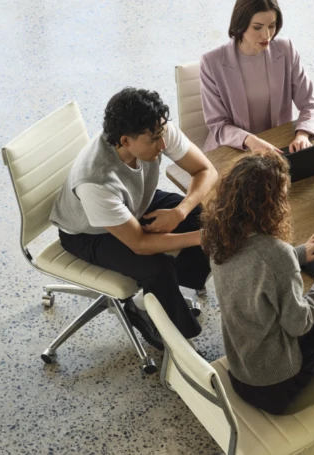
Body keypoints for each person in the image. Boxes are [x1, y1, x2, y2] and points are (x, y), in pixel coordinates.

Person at [49, 88, 218, 348]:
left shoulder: (154, 128)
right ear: (125, 141)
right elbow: (139, 244)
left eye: (162, 136)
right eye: (154, 141)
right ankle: (171, 337)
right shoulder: (96, 180)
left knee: (204, 217)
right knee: (156, 268)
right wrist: (201, 238)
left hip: (134, 203)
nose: (162, 146)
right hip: (88, 232)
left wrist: (179, 213)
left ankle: (152, 297)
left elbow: (206, 170)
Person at [201, 151, 314, 415]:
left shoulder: (218, 236)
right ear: (270, 204)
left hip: (242, 373)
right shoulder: (275, 253)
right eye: (283, 196)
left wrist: (296, 255)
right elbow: (298, 324)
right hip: (280, 389)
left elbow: (252, 274)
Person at [200, 0, 314, 154]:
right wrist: (251, 140)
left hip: (277, 145)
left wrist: (303, 134)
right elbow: (218, 125)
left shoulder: (286, 50)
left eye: (272, 25)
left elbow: (311, 104)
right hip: (233, 150)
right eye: (257, 27)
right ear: (241, 24)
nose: (267, 35)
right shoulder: (212, 63)